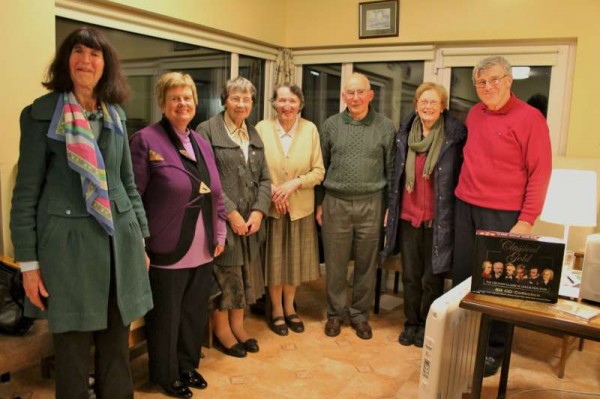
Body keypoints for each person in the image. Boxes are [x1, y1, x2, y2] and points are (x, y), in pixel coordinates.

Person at [10, 27, 152, 398]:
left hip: (119, 247)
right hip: (66, 252)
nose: (86, 60)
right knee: (71, 357)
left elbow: (128, 184)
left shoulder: (116, 115)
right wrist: (28, 264)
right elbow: (25, 194)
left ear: (107, 65)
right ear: (65, 60)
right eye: (78, 51)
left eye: (95, 54)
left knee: (116, 353)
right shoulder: (40, 115)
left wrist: (140, 240)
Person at [453, 56, 552, 377]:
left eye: (494, 80)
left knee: (497, 284)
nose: (487, 87)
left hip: (504, 213)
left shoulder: (530, 118)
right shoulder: (474, 113)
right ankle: (464, 337)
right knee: (464, 276)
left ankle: (493, 349)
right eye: (481, 82)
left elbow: (540, 171)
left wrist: (527, 219)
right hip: (465, 206)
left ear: (509, 80)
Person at [130, 72, 227, 398]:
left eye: (187, 98)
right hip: (166, 246)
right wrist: (140, 243)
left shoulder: (200, 142)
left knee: (192, 314)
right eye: (174, 98)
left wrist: (221, 231)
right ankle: (165, 374)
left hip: (203, 247)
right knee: (166, 318)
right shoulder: (146, 140)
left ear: (195, 104)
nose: (182, 103)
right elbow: (134, 198)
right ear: (162, 103)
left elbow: (216, 192)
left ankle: (187, 365)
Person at [381, 82, 466, 347]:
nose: (427, 106)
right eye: (423, 102)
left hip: (438, 221)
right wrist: (389, 208)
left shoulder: (454, 139)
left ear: (442, 108)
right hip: (407, 218)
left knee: (432, 278)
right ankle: (411, 323)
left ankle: (428, 325)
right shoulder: (404, 136)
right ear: (416, 105)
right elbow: (394, 175)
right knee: (410, 276)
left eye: (433, 102)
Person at [316, 73, 395, 340]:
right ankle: (335, 314)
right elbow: (320, 168)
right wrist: (319, 203)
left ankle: (360, 315)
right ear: (343, 96)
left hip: (372, 203)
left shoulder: (385, 127)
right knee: (336, 265)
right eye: (350, 93)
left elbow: (393, 171)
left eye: (361, 92)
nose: (355, 97)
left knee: (366, 264)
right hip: (335, 202)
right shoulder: (330, 126)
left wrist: (389, 207)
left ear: (371, 95)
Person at [197, 76, 270, 357]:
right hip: (222, 223)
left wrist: (258, 211)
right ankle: (222, 330)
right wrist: (232, 215)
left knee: (243, 276)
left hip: (250, 223)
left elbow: (265, 177)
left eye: (247, 99)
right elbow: (207, 180)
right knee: (225, 277)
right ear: (224, 100)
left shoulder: (252, 134)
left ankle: (238, 325)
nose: (241, 104)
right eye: (235, 98)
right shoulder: (207, 131)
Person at [256, 84, 324, 336]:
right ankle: (275, 310)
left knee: (293, 264)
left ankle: (290, 307)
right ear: (274, 103)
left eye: (292, 101)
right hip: (272, 207)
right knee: (275, 263)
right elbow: (254, 167)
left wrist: (294, 184)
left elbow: (319, 171)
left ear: (300, 104)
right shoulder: (262, 129)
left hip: (300, 208)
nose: (286, 106)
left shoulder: (310, 130)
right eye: (282, 101)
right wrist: (274, 190)